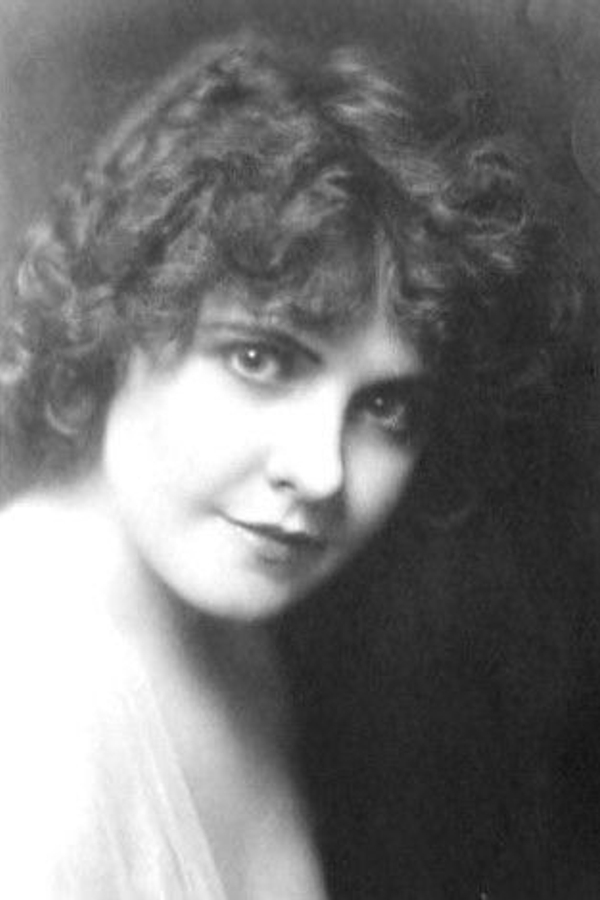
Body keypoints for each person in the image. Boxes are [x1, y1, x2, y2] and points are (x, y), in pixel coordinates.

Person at [0, 28, 583, 899]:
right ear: (120, 318)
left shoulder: (231, 641)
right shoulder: (28, 701)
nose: (322, 473)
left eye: (386, 406)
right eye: (260, 359)